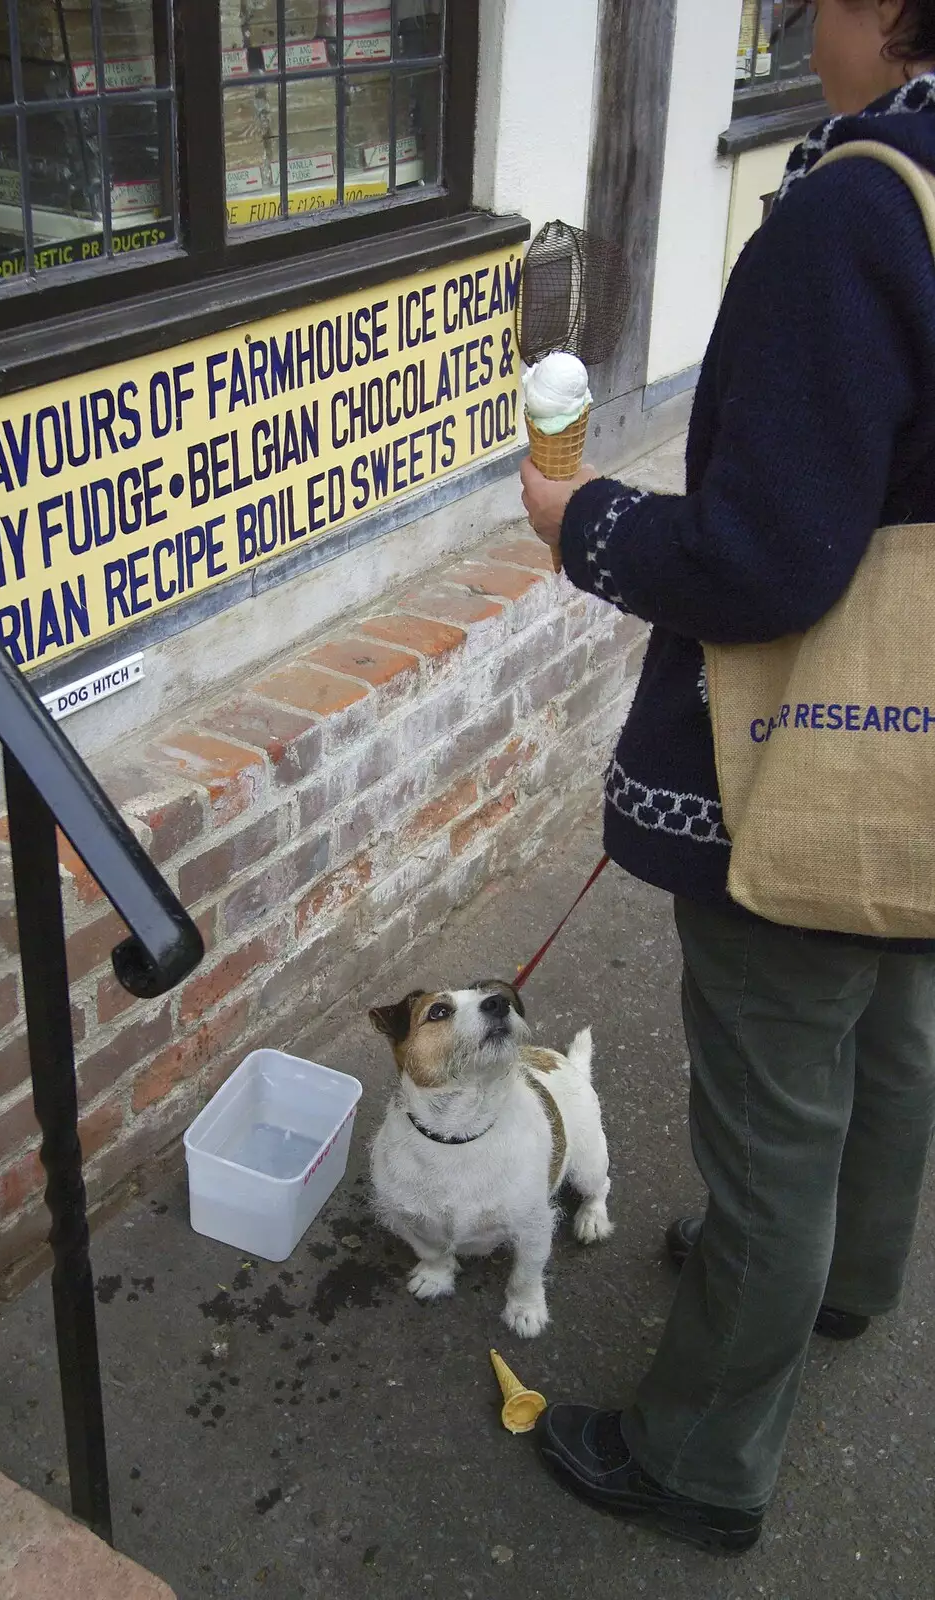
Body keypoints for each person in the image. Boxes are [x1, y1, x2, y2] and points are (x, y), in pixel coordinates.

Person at [519, 0, 935, 1556]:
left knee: (772, 1111)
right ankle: (845, 1279)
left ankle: (699, 1459)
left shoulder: (853, 215)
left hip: (815, 759)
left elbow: (763, 558)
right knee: (892, 1025)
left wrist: (587, 527)